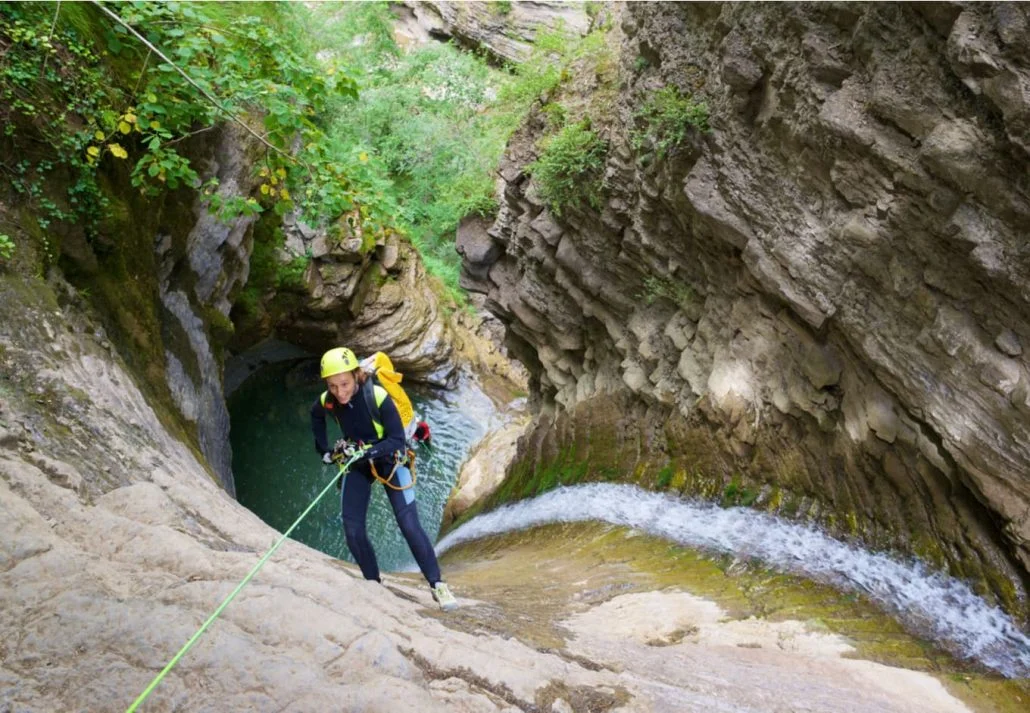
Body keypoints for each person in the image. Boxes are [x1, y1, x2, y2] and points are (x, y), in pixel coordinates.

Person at [311, 346, 457, 611]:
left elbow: (397, 440)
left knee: (408, 524)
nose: (340, 392)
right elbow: (316, 415)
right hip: (358, 462)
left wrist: (368, 452)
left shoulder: (377, 397)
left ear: (356, 375)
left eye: (344, 384)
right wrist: (325, 451)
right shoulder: (328, 400)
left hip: (390, 458)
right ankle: (373, 585)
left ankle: (438, 585)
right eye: (332, 386)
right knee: (352, 529)